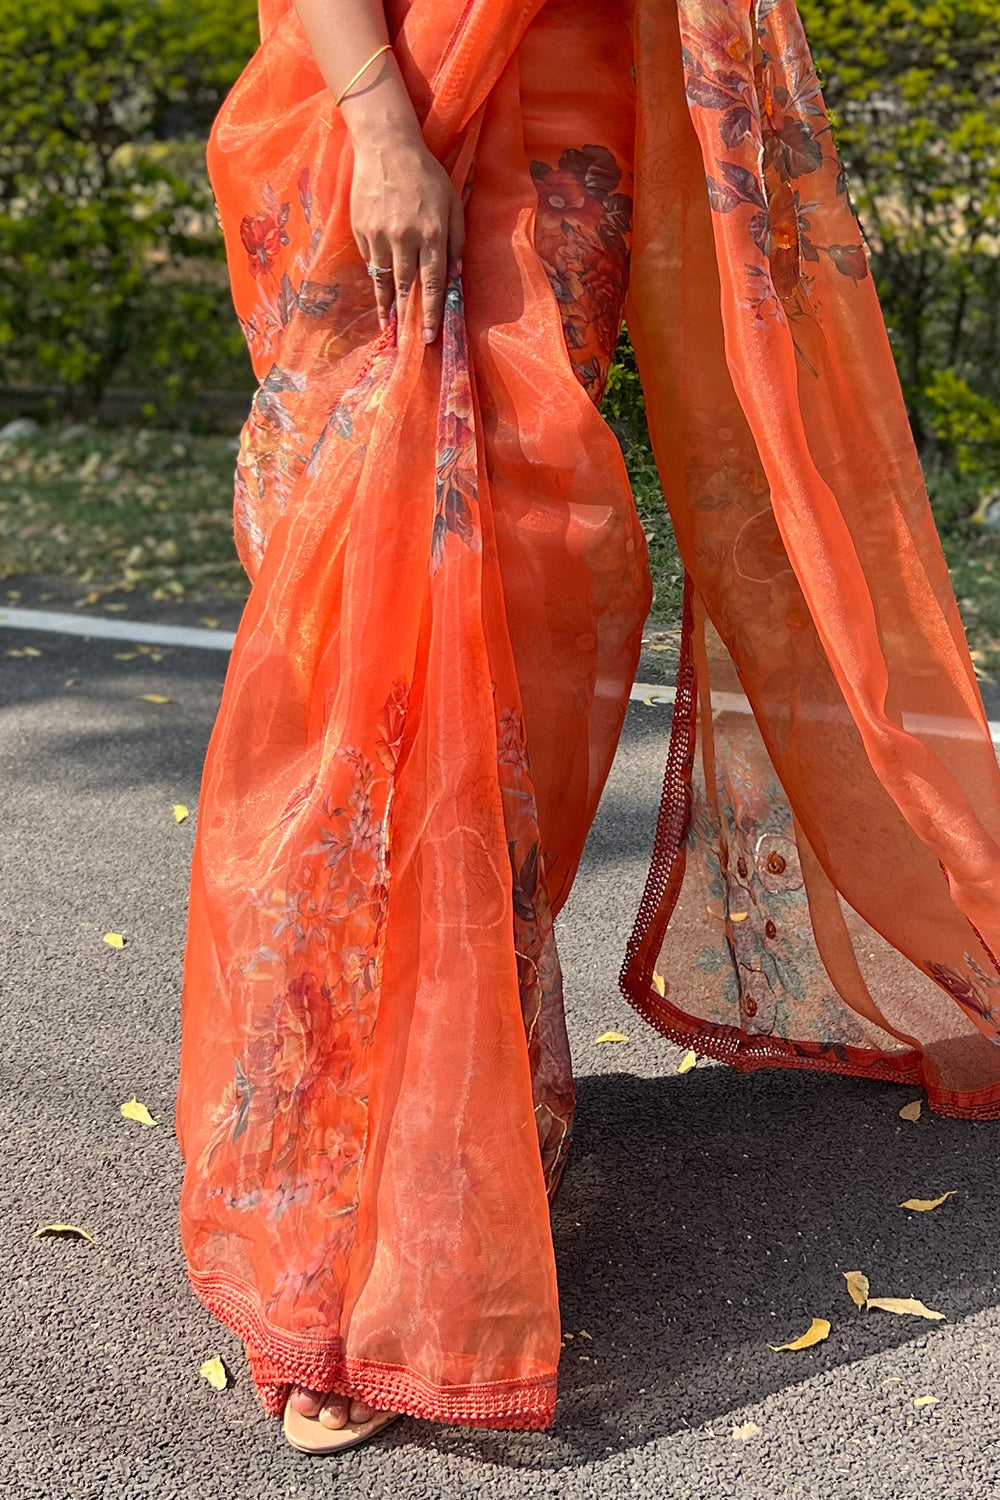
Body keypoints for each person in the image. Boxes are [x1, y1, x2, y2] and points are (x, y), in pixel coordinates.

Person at [175, 0, 1000, 1456]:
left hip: (569, 113)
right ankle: (345, 1235)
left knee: (524, 604)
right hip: (382, 99)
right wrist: (377, 122)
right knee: (362, 636)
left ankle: (464, 1115)